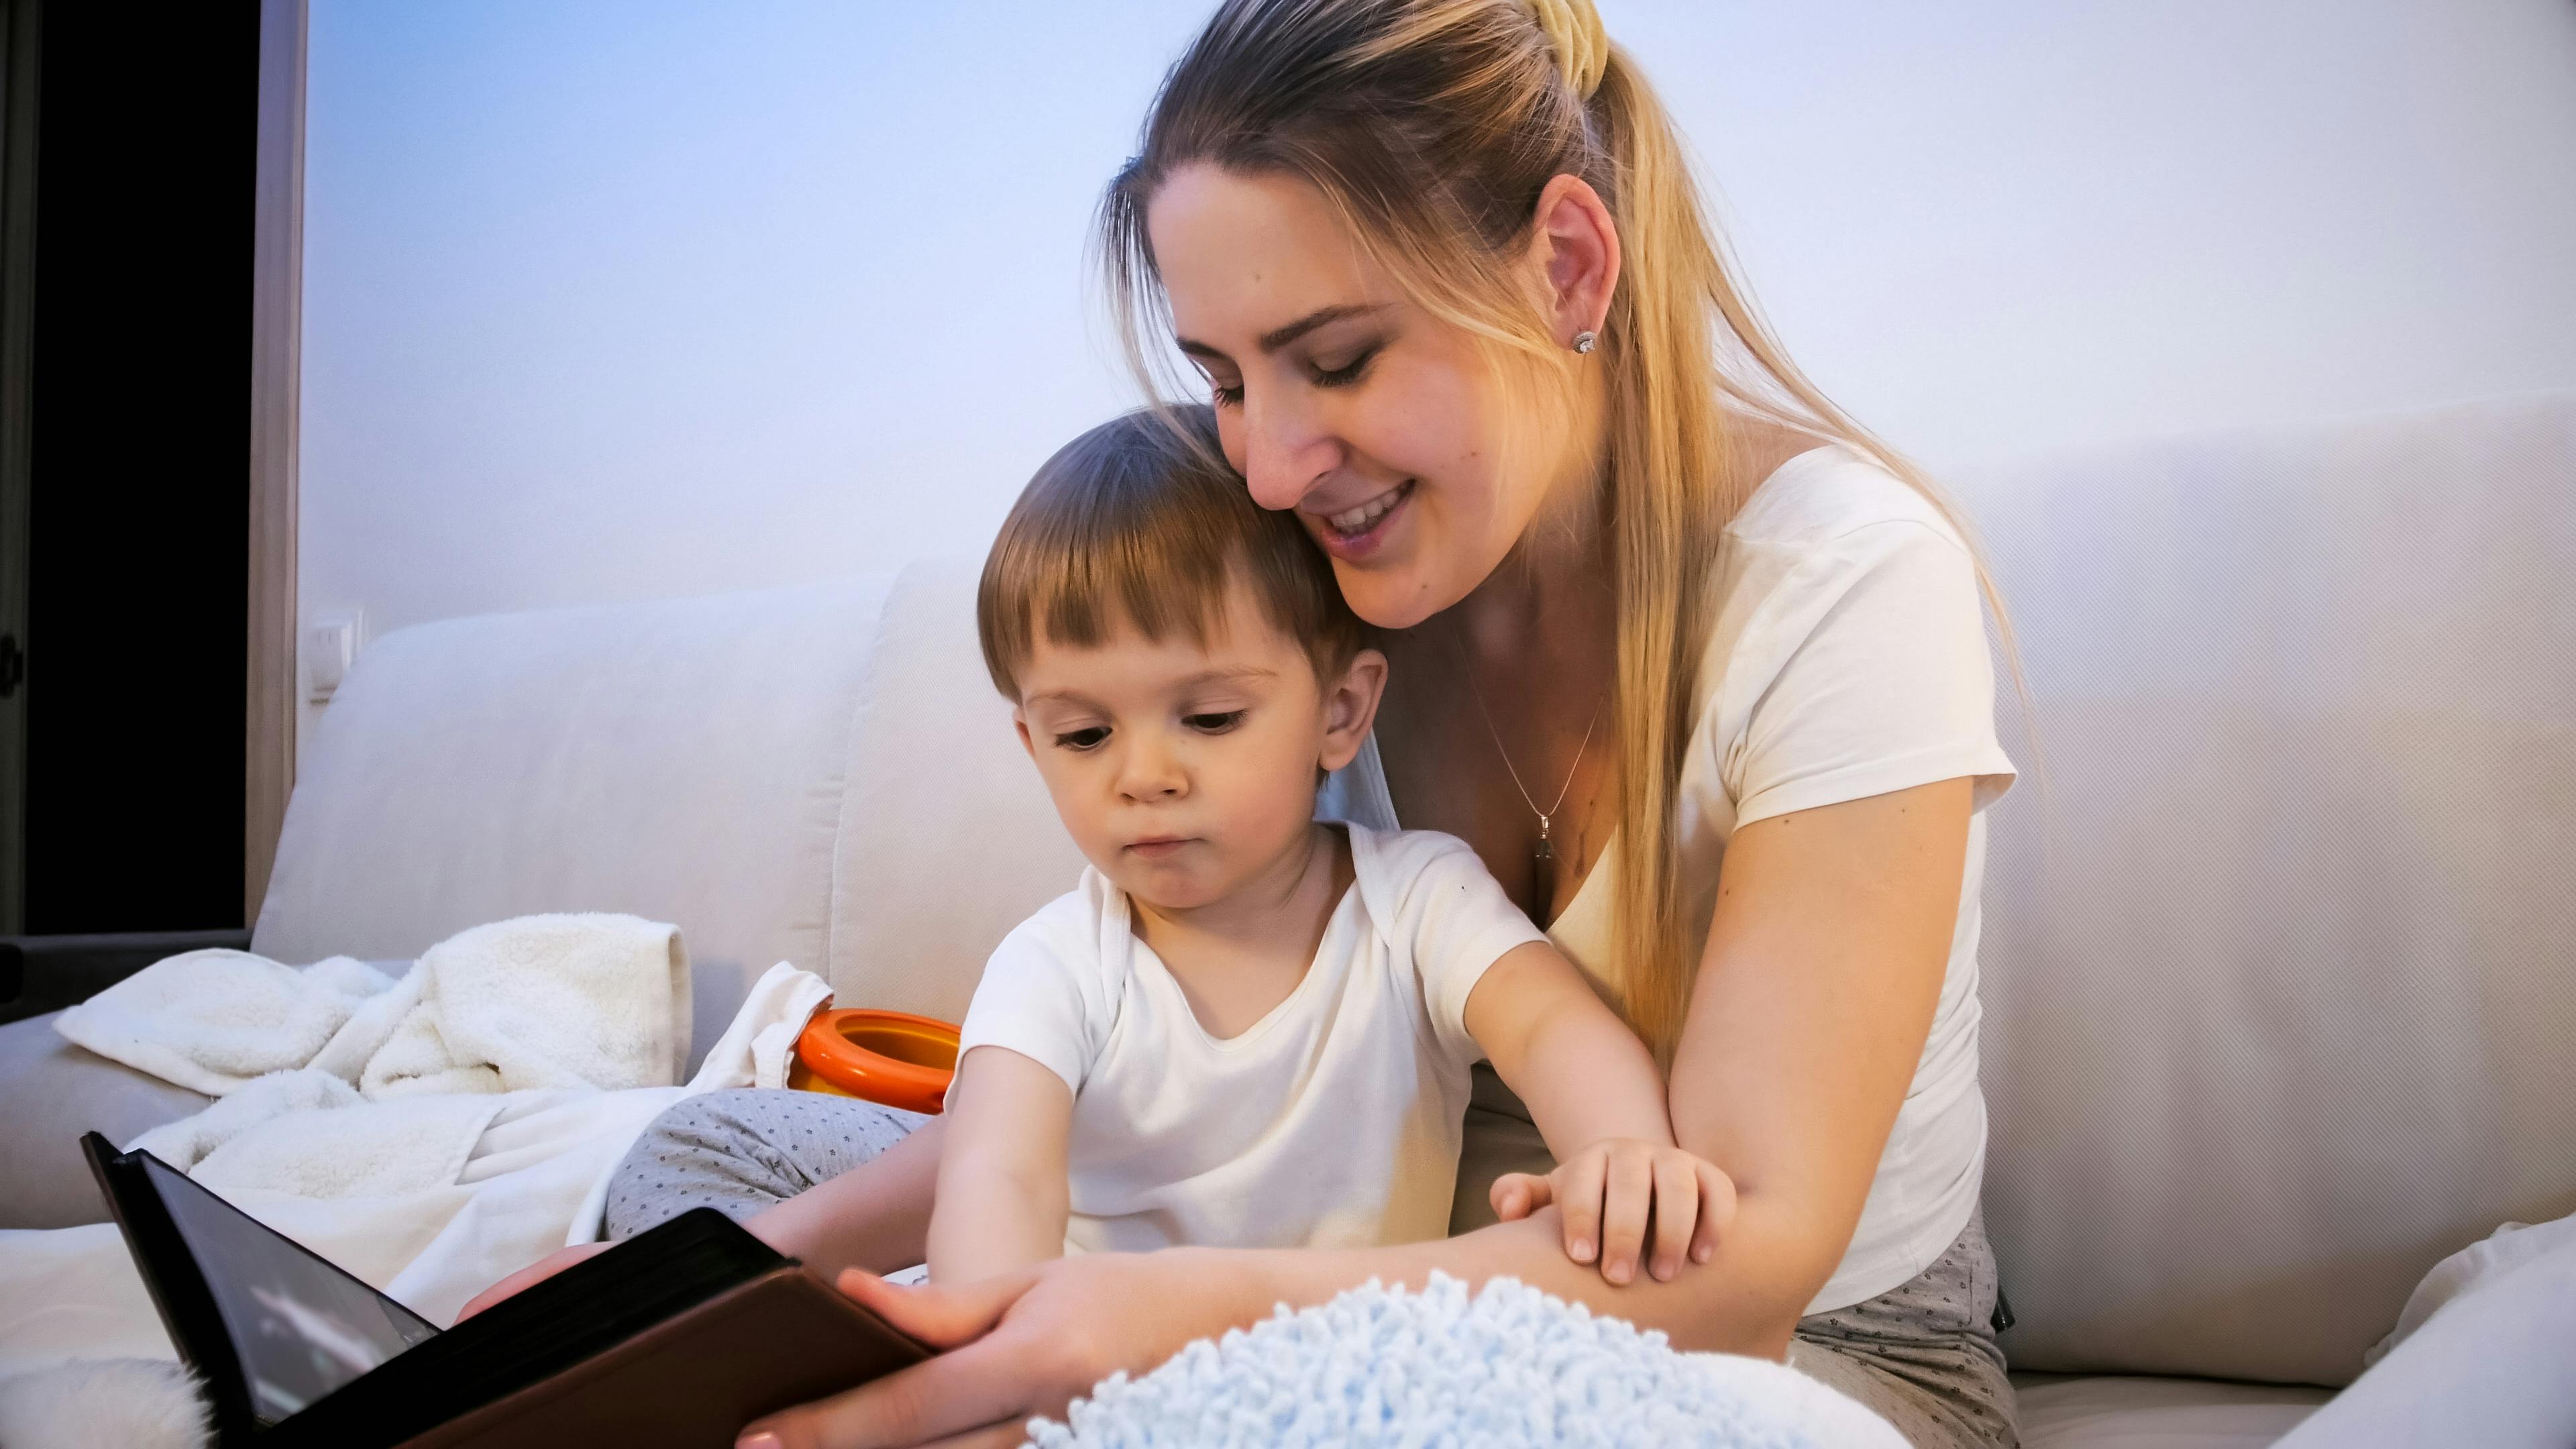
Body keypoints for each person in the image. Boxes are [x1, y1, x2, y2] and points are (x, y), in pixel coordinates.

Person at [481, 1, 2025, 1444]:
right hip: (1361, 1250)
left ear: (1565, 267)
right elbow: (1120, 1088)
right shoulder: (1344, 594)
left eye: (1337, 360)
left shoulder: (1841, 580)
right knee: (699, 1173)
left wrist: (1141, 1321)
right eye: (1223, 378)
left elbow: (1739, 1272)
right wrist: (716, 1275)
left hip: (1796, 1341)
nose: (1274, 468)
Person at [935, 406, 1728, 1283]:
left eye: (1209, 718)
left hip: (1344, 1372)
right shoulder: (1056, 964)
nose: (1142, 776)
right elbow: (996, 1172)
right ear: (1033, 746)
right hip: (1099, 1375)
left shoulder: (1419, 900)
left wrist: (1618, 1149)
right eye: (1084, 736)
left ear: (1341, 712)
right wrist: (993, 1338)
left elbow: (1549, 1026)